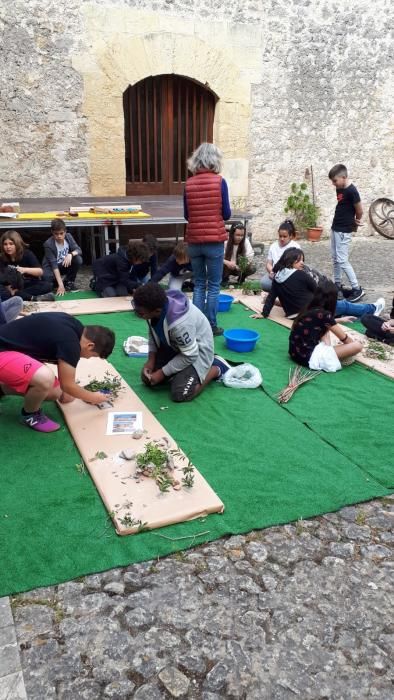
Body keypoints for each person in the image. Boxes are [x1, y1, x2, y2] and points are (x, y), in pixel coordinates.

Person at [0, 312, 115, 432]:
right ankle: (30, 415)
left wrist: (72, 390)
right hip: (3, 350)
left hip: (12, 349)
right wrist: (93, 397)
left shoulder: (75, 327)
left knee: (55, 392)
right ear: (90, 346)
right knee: (45, 378)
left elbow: (66, 386)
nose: (87, 358)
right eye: (92, 356)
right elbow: (68, 385)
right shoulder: (70, 343)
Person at [132, 283, 230, 402]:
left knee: (180, 394)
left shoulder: (180, 324)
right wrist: (150, 360)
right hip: (177, 348)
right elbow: (153, 333)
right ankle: (179, 372)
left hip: (197, 353)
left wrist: (162, 373)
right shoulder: (156, 305)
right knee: (147, 379)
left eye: (140, 313)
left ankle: (215, 368)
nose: (137, 314)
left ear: (157, 311)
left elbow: (191, 355)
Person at [253, 248, 385, 320]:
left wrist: (264, 314)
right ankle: (372, 309)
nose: (302, 263)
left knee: (340, 307)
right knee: (342, 305)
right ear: (291, 261)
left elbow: (271, 297)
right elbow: (318, 291)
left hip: (293, 315)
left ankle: (344, 312)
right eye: (299, 261)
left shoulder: (277, 277)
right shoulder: (300, 275)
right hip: (311, 312)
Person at [184, 142, 231, 336]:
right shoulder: (220, 182)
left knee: (199, 283)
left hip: (194, 239)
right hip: (214, 241)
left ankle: (196, 325)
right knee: (213, 284)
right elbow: (226, 214)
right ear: (215, 160)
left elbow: (187, 214)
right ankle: (210, 325)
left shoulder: (188, 184)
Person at [289, 280, 363, 372]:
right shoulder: (325, 315)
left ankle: (327, 350)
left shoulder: (309, 307)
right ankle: (327, 354)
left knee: (326, 328)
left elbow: (316, 322)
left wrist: (339, 320)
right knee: (357, 346)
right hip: (309, 357)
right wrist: (351, 346)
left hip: (295, 353)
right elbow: (344, 338)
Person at [328, 163, 364, 302]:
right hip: (336, 227)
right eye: (332, 181)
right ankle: (337, 285)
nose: (333, 184)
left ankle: (356, 289)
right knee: (335, 258)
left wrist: (355, 222)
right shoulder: (340, 188)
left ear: (344, 177)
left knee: (342, 260)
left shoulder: (352, 191)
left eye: (335, 181)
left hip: (344, 230)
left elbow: (359, 210)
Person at [0, 230, 54, 301]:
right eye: (5, 244)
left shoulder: (27, 254)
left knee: (48, 285)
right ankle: (34, 298)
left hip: (27, 283)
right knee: (3, 291)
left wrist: (24, 269)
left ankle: (20, 295)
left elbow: (40, 272)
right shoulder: (2, 258)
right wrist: (8, 287)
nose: (8, 247)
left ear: (17, 244)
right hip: (12, 286)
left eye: (11, 244)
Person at [42, 219, 83, 295]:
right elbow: (53, 265)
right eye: (56, 234)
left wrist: (70, 254)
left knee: (78, 259)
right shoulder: (48, 244)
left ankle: (69, 282)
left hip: (63, 264)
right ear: (52, 233)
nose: (59, 236)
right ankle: (57, 283)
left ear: (65, 231)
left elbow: (79, 250)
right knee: (47, 283)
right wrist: (60, 285)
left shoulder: (68, 237)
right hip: (51, 268)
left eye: (61, 233)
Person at [261, 220, 301, 292]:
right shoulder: (273, 246)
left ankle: (281, 290)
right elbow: (269, 264)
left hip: (289, 276)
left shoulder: (295, 247)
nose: (282, 239)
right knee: (264, 283)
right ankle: (282, 290)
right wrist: (271, 272)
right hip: (275, 275)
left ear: (290, 236)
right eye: (280, 236)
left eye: (285, 236)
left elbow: (298, 267)